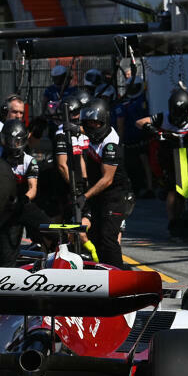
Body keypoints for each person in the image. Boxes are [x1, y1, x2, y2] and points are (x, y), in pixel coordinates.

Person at [0, 119, 51, 267]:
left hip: (20, 205)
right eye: (10, 141)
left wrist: (24, 200)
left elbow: (33, 188)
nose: (14, 145)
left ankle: (61, 252)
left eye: (17, 141)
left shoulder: (30, 161)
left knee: (50, 229)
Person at [136, 88, 188, 235]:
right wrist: (153, 130)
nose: (179, 115)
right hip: (168, 157)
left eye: (182, 111)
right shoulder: (162, 117)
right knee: (173, 189)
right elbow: (139, 122)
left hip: (187, 155)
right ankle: (172, 221)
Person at [79, 98, 134, 268]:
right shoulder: (88, 135)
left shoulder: (111, 144)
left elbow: (107, 179)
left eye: (95, 123)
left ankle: (119, 275)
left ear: (103, 122)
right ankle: (100, 274)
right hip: (99, 195)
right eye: (88, 124)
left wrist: (85, 196)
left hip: (117, 196)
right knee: (94, 236)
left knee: (108, 238)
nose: (91, 127)